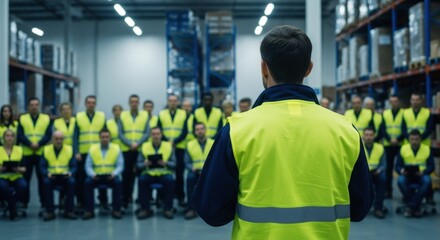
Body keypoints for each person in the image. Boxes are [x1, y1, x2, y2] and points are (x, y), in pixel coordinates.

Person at [193, 25, 373, 239]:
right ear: (308, 69)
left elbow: (211, 211)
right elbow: (361, 209)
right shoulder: (345, 130)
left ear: (264, 68)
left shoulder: (237, 131)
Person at [17, 97, 52, 207]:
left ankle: (44, 202)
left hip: (41, 153)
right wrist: (30, 144)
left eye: (36, 104)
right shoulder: (22, 118)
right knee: (25, 178)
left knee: (42, 179)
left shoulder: (46, 118)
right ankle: (24, 202)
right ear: (28, 107)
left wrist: (39, 144)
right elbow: (20, 135)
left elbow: (48, 134)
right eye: (31, 105)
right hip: (27, 153)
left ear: (39, 105)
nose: (34, 107)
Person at [83, 129, 124, 220]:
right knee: (87, 183)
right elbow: (88, 166)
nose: (105, 139)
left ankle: (116, 210)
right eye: (102, 137)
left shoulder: (116, 148)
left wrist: (114, 173)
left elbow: (120, 165)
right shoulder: (93, 148)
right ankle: (89, 211)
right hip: (96, 176)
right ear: (99, 138)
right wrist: (92, 174)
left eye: (107, 137)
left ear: (110, 138)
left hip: (111, 176)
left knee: (118, 182)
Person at [136, 127, 175, 220]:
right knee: (141, 180)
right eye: (153, 134)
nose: (155, 136)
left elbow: (174, 163)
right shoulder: (144, 146)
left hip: (164, 173)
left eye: (157, 134)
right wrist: (144, 164)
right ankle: (145, 209)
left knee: (170, 180)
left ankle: (167, 209)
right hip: (149, 173)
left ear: (161, 135)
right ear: (150, 135)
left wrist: (166, 163)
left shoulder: (168, 146)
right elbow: (138, 164)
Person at [75, 95, 106, 209]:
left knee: (102, 175)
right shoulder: (79, 116)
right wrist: (76, 151)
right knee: (81, 178)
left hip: (98, 153)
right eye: (89, 102)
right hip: (83, 152)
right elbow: (75, 136)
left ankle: (103, 201)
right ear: (85, 104)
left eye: (93, 102)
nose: (91, 104)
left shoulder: (101, 116)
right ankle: (81, 201)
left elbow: (105, 134)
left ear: (96, 104)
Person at [119, 95, 150, 208]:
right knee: (126, 176)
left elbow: (147, 132)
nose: (134, 103)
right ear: (129, 103)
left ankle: (141, 200)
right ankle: (126, 199)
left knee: (141, 176)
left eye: (136, 102)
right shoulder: (123, 115)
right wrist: (129, 144)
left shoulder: (145, 115)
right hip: (127, 150)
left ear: (139, 103)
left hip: (140, 150)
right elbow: (120, 132)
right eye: (132, 101)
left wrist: (138, 144)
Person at [395, 129, 434, 218]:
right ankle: (415, 207)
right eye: (412, 139)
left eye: (416, 139)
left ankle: (411, 206)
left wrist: (424, 172)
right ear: (409, 139)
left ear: (420, 139)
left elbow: (431, 167)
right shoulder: (403, 148)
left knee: (427, 181)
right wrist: (401, 171)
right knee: (400, 181)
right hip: (407, 175)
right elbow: (397, 166)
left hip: (421, 175)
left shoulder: (427, 149)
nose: (414, 141)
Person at [157, 95, 188, 206]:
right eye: (170, 101)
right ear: (168, 102)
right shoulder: (162, 113)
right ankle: (162, 197)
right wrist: (168, 142)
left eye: (175, 101)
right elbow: (159, 129)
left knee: (179, 174)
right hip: (165, 147)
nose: (173, 103)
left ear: (177, 102)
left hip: (179, 147)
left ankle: (180, 197)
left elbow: (185, 131)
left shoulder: (183, 113)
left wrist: (175, 142)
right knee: (162, 171)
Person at [40, 131, 77, 221]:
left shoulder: (69, 149)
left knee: (71, 182)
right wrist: (46, 173)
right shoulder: (46, 149)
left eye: (60, 139)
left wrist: (70, 173)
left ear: (63, 139)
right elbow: (42, 166)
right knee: (46, 182)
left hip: (65, 177)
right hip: (51, 176)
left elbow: (74, 166)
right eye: (56, 139)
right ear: (52, 139)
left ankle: (69, 211)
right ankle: (50, 212)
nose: (58, 141)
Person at [184, 122, 214, 220]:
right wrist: (191, 168)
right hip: (195, 172)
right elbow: (187, 162)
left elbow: (217, 160)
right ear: (194, 132)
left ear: (205, 130)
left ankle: (211, 209)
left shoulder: (213, 143)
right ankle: (191, 209)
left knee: (216, 181)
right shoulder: (190, 144)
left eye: (201, 129)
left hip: (209, 172)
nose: (200, 131)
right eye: (197, 130)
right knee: (189, 178)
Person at [0, 130, 27, 221]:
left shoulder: (19, 149)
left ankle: (11, 206)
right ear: (3, 138)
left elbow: (24, 168)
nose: (9, 138)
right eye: (7, 136)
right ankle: (13, 209)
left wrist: (18, 169)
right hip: (2, 175)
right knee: (3, 187)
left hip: (16, 175)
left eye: (11, 136)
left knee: (23, 185)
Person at [382, 95, 404, 198]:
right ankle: (388, 191)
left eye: (395, 101)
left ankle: (404, 193)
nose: (394, 103)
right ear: (389, 103)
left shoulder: (404, 113)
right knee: (388, 169)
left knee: (402, 168)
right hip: (388, 144)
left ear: (398, 102)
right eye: (392, 102)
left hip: (401, 144)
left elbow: (405, 128)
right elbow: (383, 129)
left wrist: (398, 139)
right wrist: (389, 139)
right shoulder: (385, 114)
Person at [363, 127, 387, 219]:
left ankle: (378, 208)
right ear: (363, 136)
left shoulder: (380, 148)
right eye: (367, 135)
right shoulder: (358, 146)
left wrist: (379, 170)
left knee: (383, 179)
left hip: (375, 173)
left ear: (374, 136)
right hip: (363, 174)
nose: (369, 137)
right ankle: (359, 208)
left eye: (371, 135)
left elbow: (384, 164)